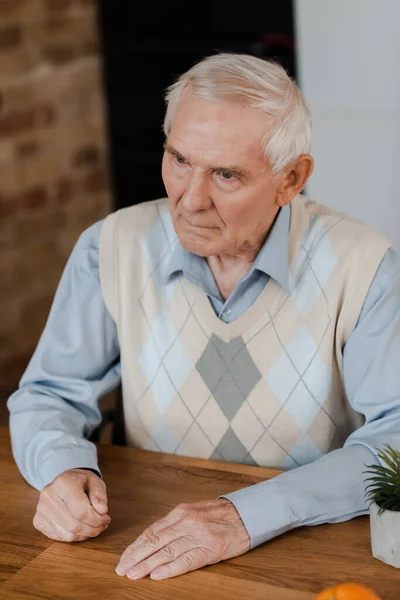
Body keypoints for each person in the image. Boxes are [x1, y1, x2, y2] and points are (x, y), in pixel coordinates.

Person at [7, 53, 400, 582]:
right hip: (143, 544)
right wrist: (64, 468)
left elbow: (395, 439)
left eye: (226, 175)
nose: (190, 200)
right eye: (179, 160)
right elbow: (48, 393)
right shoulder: (110, 245)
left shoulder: (367, 265)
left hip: (306, 554)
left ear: (291, 179)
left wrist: (246, 514)